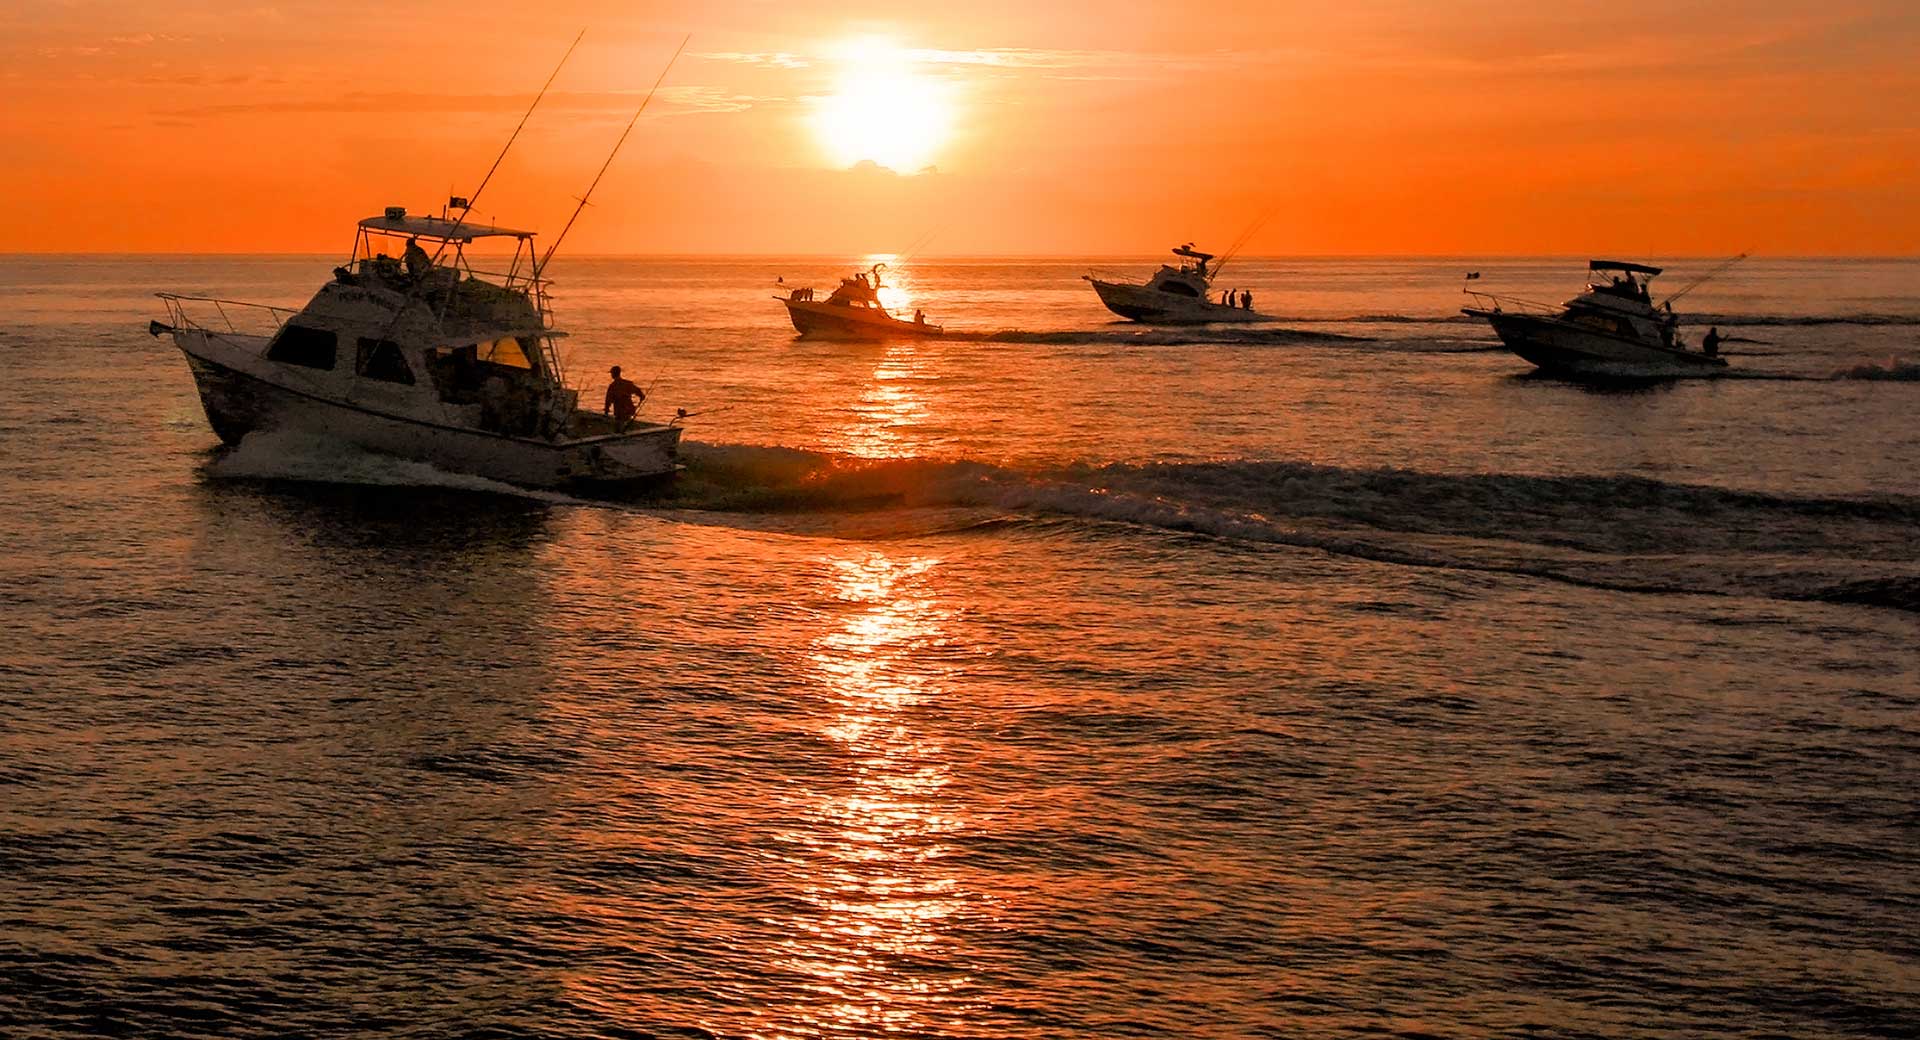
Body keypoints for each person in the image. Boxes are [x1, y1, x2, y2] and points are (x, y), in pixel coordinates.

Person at [604, 365, 645, 431]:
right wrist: (641, 396)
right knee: (626, 422)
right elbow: (638, 391)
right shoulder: (628, 383)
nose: (611, 375)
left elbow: (608, 400)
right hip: (629, 409)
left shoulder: (612, 386)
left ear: (614, 374)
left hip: (619, 411)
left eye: (611, 373)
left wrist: (606, 411)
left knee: (618, 426)